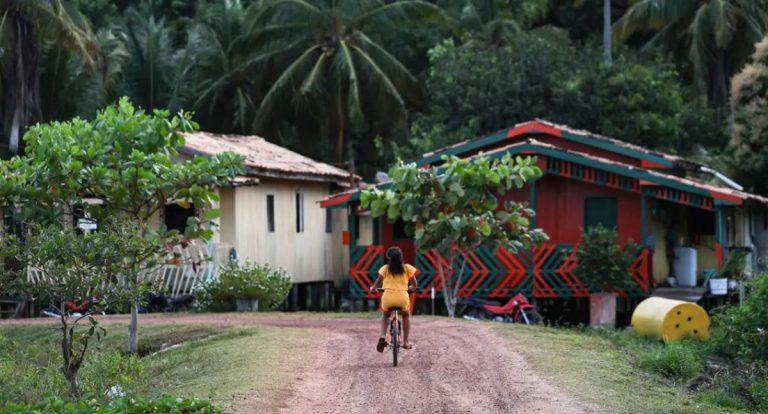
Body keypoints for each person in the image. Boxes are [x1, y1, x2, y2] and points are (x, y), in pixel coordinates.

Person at [369, 246, 418, 352]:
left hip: (388, 297)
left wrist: (372, 289)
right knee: (405, 315)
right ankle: (405, 342)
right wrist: (410, 288)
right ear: (401, 257)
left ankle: (382, 336)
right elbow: (415, 285)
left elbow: (376, 283)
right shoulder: (407, 268)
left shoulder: (385, 269)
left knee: (385, 315)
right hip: (402, 297)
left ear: (389, 258)